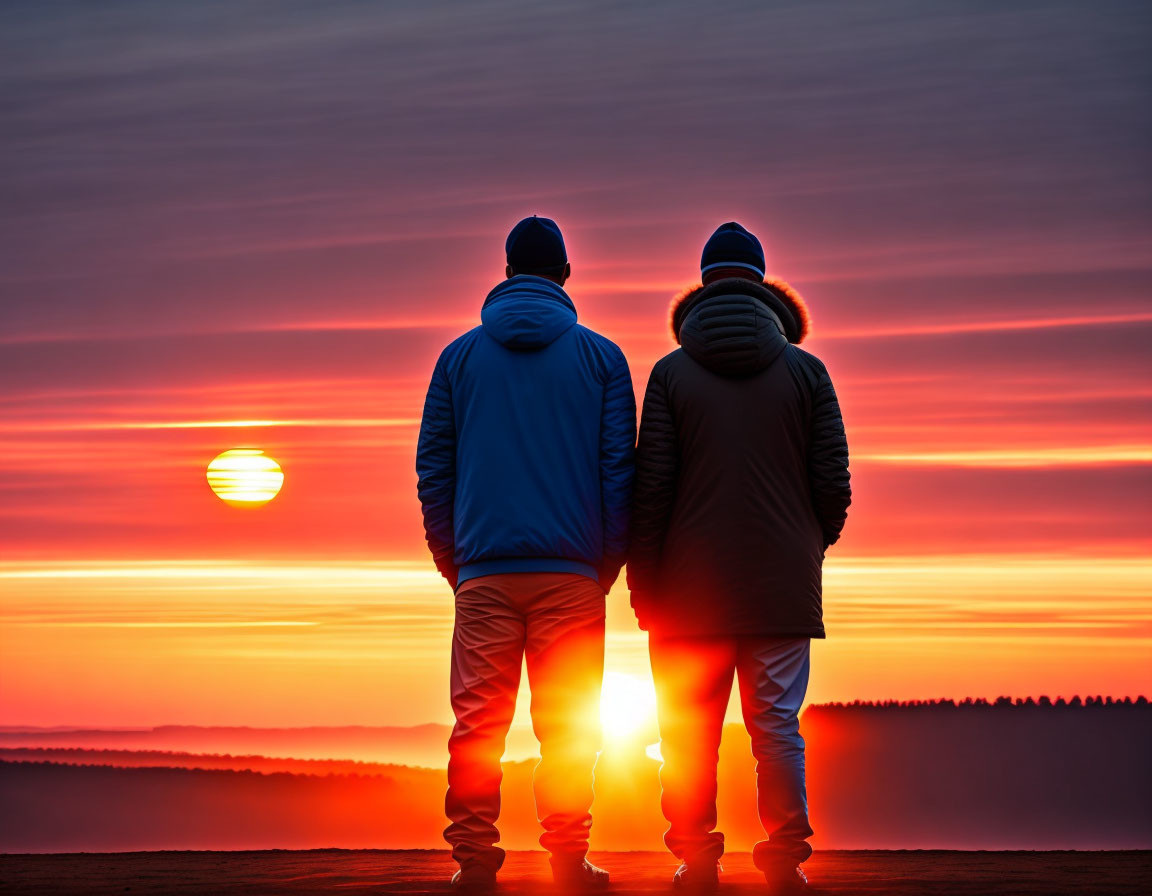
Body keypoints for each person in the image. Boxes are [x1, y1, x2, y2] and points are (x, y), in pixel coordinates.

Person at [627, 222, 851, 893]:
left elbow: (653, 486)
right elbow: (832, 483)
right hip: (781, 586)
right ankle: (785, 859)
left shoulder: (670, 374)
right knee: (777, 728)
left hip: (687, 594)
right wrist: (807, 544)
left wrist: (645, 582)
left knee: (689, 734)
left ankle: (695, 858)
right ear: (764, 285)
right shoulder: (809, 373)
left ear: (702, 285)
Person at [416, 216, 635, 893]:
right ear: (565, 274)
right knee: (569, 725)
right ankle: (569, 857)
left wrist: (457, 562)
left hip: (483, 569)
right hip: (572, 572)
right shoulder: (603, 360)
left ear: (508, 270)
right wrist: (604, 565)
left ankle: (473, 859)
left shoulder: (457, 360)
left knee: (478, 722)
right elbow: (619, 475)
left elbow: (434, 470)